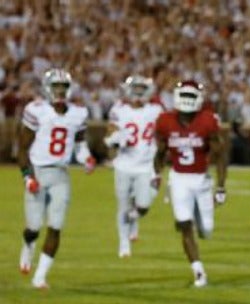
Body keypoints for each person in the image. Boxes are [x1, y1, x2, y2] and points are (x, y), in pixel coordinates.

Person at [18, 68, 95, 289]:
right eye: (56, 87)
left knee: (56, 226)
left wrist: (87, 158)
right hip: (38, 172)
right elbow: (23, 148)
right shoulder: (36, 110)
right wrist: (27, 177)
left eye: (64, 87)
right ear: (47, 88)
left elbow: (80, 145)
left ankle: (40, 277)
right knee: (33, 227)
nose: (60, 91)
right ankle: (28, 244)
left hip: (61, 174)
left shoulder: (78, 113)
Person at [154, 80, 227, 287]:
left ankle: (195, 216)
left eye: (191, 97)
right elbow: (160, 152)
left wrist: (221, 186)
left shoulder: (207, 120)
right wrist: (157, 173)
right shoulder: (165, 120)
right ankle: (198, 271)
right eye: (184, 96)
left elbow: (220, 156)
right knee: (185, 225)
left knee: (206, 230)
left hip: (202, 181)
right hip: (178, 179)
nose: (186, 101)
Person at [104, 75, 164, 258]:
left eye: (141, 89)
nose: (138, 93)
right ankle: (124, 243)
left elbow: (163, 135)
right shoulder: (119, 109)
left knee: (144, 204)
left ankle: (133, 218)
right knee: (122, 205)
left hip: (146, 165)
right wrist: (113, 140)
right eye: (135, 89)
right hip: (124, 164)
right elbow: (110, 134)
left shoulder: (156, 110)